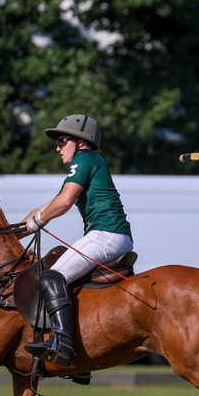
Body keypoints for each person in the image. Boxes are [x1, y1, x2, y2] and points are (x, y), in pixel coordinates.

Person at [21, 114, 133, 366]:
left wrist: (36, 222)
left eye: (62, 141)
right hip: (113, 236)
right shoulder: (88, 162)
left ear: (81, 142)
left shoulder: (84, 159)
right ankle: (83, 363)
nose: (57, 148)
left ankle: (62, 346)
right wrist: (17, 229)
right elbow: (52, 203)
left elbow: (64, 202)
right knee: (72, 284)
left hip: (106, 235)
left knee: (51, 277)